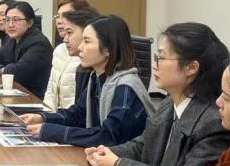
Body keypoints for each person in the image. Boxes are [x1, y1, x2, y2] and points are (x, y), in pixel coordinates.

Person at [87, 22, 230, 166]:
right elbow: (143, 146)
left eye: (161, 58)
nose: (154, 65)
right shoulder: (169, 102)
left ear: (191, 67)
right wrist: (106, 153)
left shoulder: (214, 121)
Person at [22, 15, 150, 146]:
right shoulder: (96, 78)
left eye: (87, 41)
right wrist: (42, 118)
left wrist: (53, 132)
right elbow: (77, 115)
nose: (80, 47)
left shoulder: (126, 87)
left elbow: (109, 136)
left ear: (108, 49)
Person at [0, 0, 53, 97]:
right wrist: (2, 69)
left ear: (30, 22)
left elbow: (16, 73)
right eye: (7, 20)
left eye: (16, 20)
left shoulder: (39, 44)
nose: (10, 25)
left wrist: (3, 70)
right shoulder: (12, 40)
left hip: (34, 98)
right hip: (17, 93)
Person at [42, 0, 94, 111]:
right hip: (58, 116)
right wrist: (45, 115)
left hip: (69, 117)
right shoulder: (59, 50)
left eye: (66, 15)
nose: (60, 21)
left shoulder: (89, 58)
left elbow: (79, 111)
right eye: (58, 16)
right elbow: (50, 92)